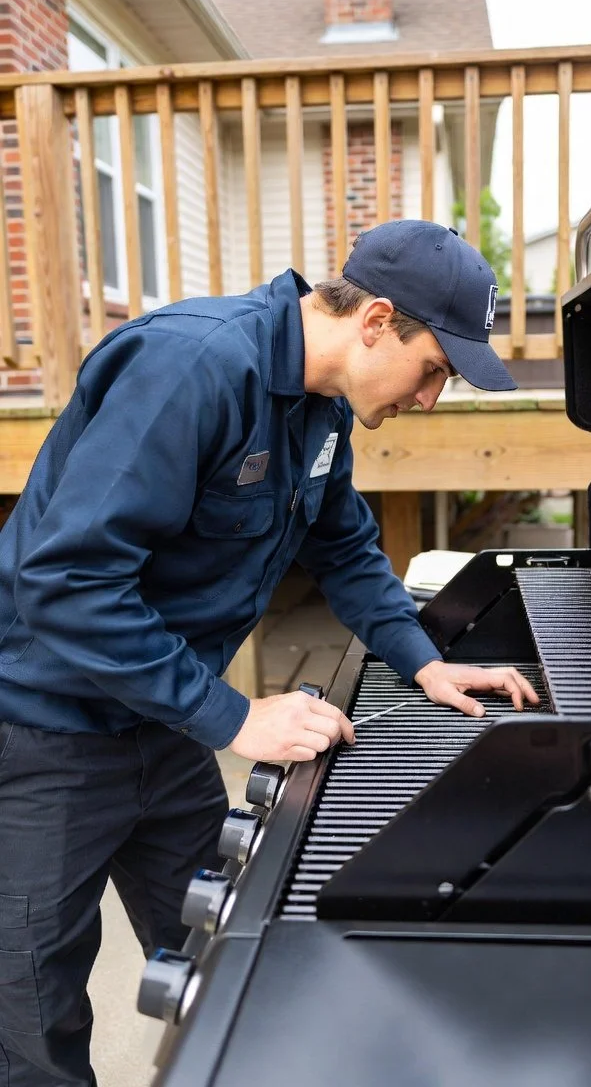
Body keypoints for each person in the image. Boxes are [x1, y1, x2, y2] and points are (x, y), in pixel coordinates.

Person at [0, 218, 538, 1085]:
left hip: (165, 723)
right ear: (376, 322)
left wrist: (424, 659)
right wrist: (235, 717)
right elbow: (66, 581)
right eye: (434, 369)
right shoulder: (192, 368)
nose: (430, 399)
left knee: (228, 969)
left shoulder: (321, 410)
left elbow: (344, 547)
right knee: (34, 1025)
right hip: (44, 736)